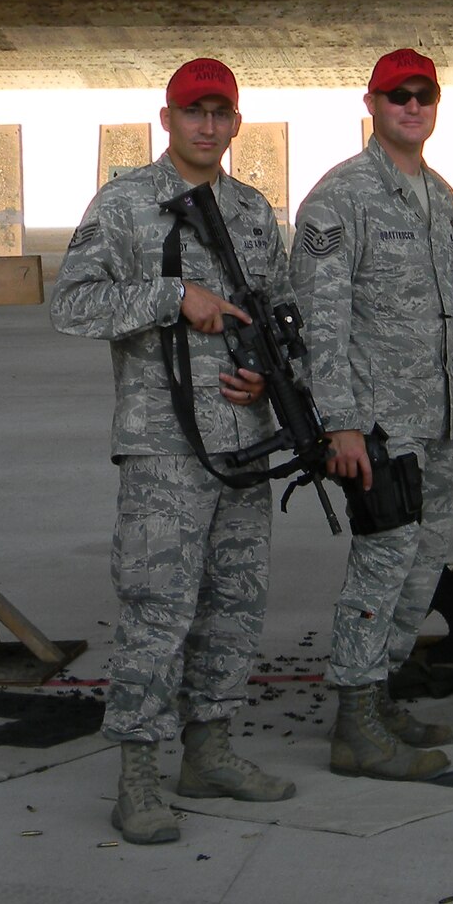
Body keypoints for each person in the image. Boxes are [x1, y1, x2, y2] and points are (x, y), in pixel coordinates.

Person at [50, 57, 296, 846]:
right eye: (194, 111)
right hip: (164, 446)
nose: (207, 125)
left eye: (221, 112)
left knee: (234, 602)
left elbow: (282, 313)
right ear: (168, 119)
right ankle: (139, 775)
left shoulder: (256, 212)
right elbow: (73, 304)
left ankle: (211, 748)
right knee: (159, 608)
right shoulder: (125, 204)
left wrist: (267, 374)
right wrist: (169, 298)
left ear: (235, 123)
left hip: (246, 442)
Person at [290, 48, 453, 781]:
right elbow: (320, 320)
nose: (412, 107)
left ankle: (383, 688)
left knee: (421, 569)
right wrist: (342, 421)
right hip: (379, 425)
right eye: (398, 96)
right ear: (372, 104)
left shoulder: (442, 197)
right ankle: (355, 721)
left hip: (436, 420)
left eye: (423, 95)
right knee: (380, 567)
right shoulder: (341, 198)